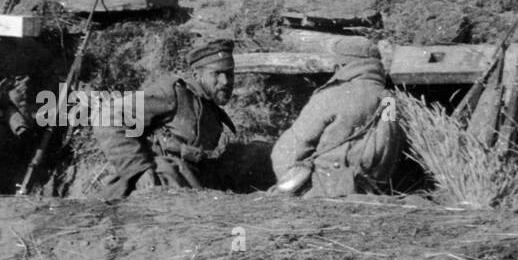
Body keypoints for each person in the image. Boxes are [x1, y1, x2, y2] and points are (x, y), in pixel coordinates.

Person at [94, 39, 237, 199]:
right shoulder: (175, 94)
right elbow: (109, 116)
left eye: (229, 74)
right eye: (217, 74)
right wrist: (138, 170)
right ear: (197, 75)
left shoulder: (211, 109)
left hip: (190, 188)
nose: (225, 81)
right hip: (160, 185)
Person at [271, 42, 402, 198]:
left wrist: (289, 180)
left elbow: (292, 145)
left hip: (323, 189)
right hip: (372, 189)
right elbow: (389, 145)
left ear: (341, 65)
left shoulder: (331, 95)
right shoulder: (389, 99)